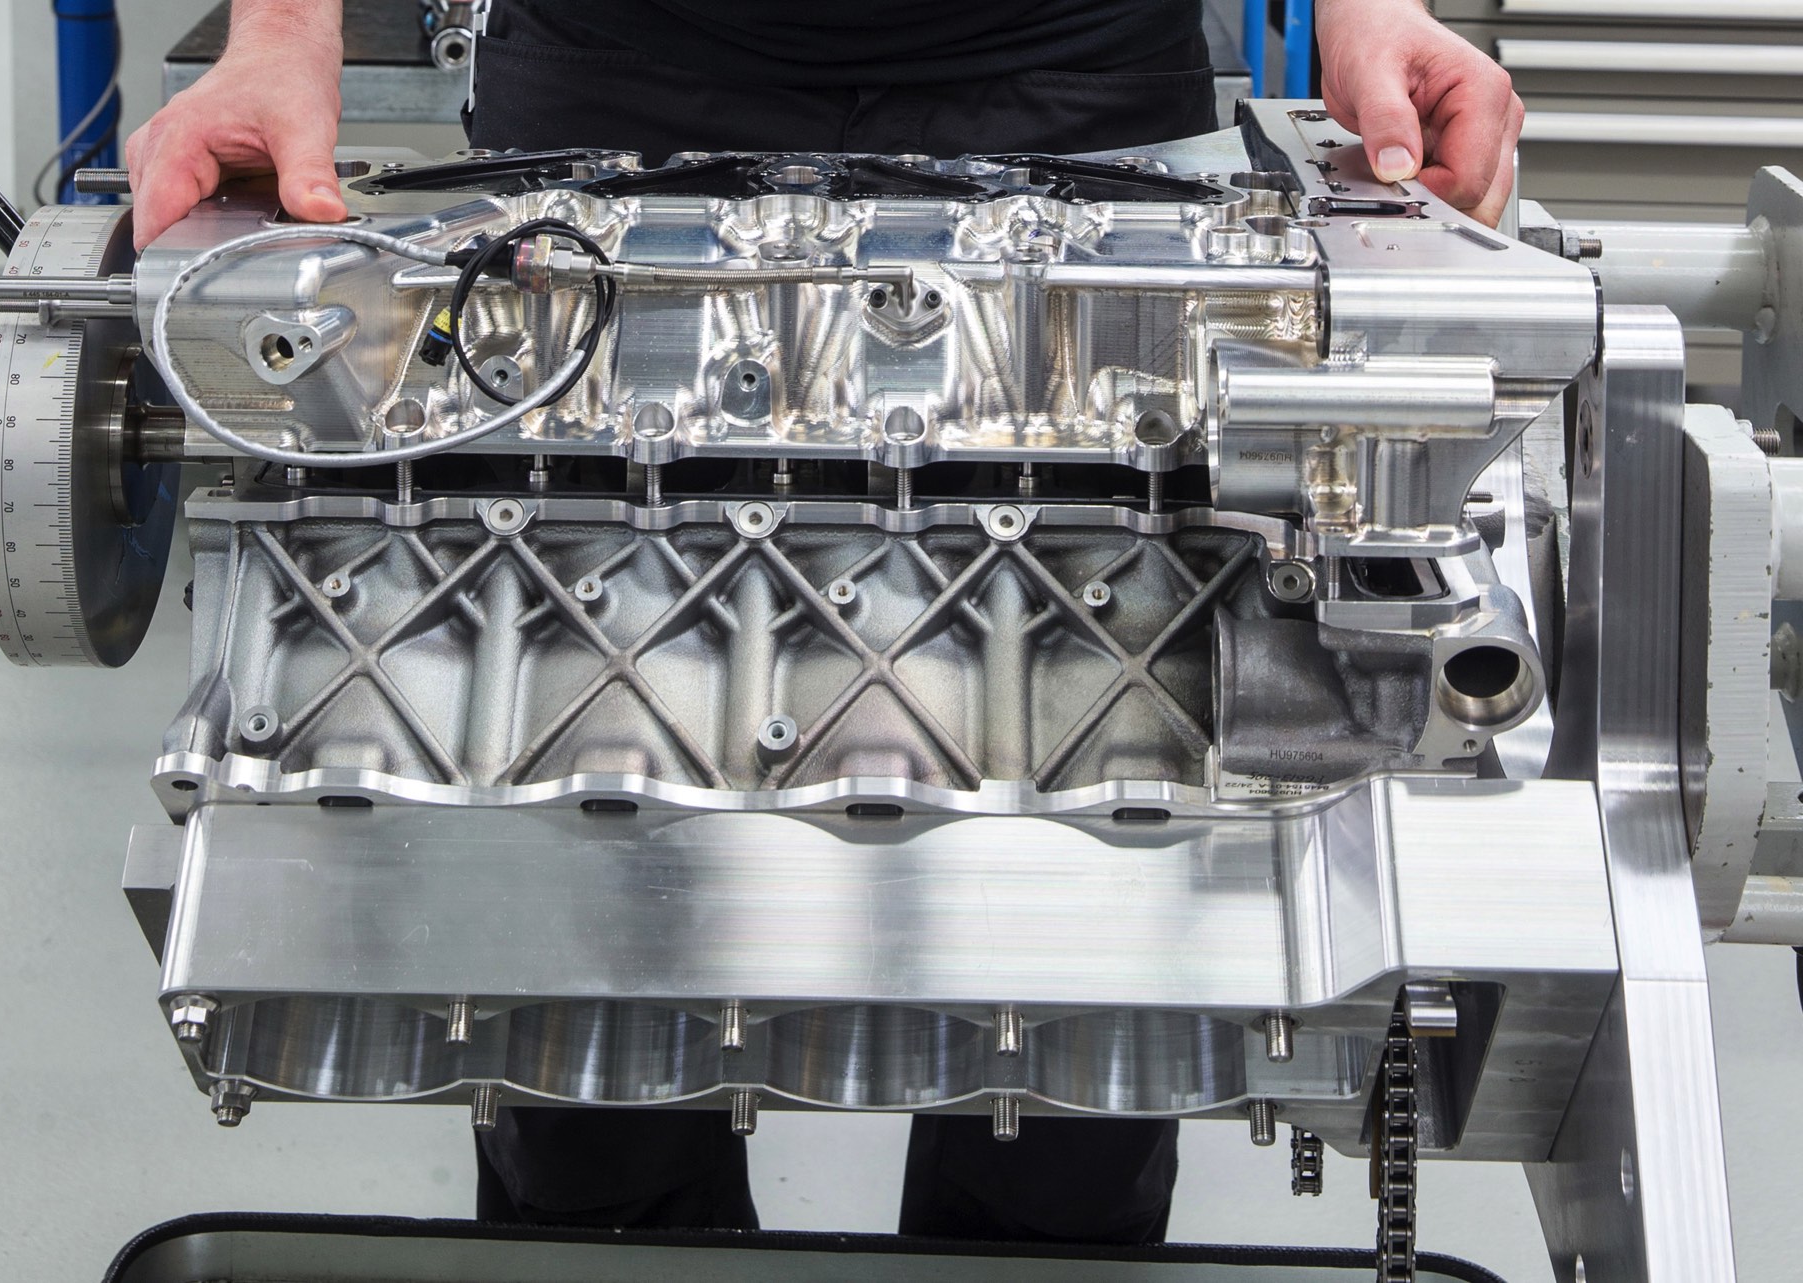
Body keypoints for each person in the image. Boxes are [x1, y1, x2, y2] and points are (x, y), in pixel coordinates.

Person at [124, 0, 1523, 1244]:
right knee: (570, 950)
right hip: (619, 80)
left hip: (1072, 79)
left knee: (1097, 968)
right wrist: (282, 33)